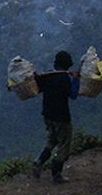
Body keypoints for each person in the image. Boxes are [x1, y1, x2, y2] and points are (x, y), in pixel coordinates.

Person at [32, 51, 79, 183]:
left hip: (47, 115)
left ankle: (38, 162)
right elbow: (73, 95)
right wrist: (75, 79)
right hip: (61, 116)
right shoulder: (63, 78)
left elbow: (38, 88)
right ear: (68, 64)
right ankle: (56, 173)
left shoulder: (48, 76)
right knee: (64, 144)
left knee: (51, 141)